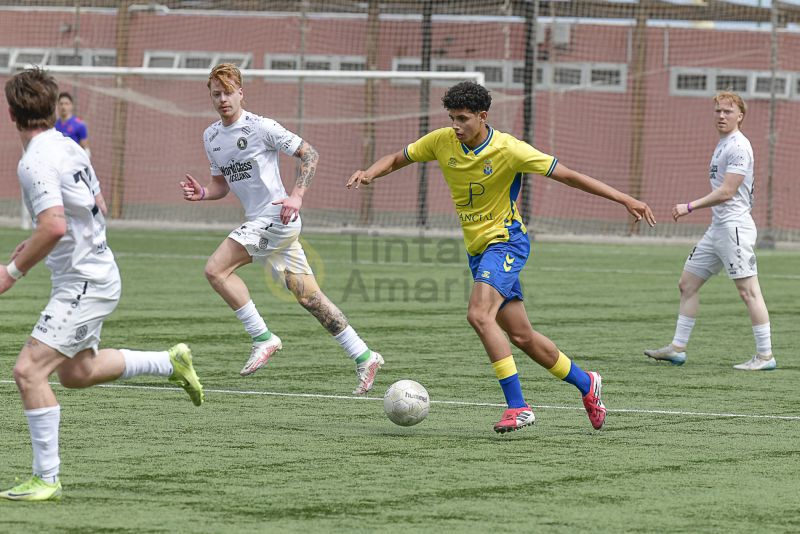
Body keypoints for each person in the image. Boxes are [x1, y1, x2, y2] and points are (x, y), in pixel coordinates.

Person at [347, 81, 656, 433]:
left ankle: (518, 407)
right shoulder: (442, 141)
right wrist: (370, 172)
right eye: (452, 118)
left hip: (506, 244)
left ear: (483, 116)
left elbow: (569, 176)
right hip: (479, 252)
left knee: (479, 315)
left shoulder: (510, 149)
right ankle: (587, 384)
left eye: (463, 119)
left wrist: (624, 199)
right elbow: (399, 158)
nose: (456, 126)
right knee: (522, 336)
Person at [0, 68, 203, 502]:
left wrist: (10, 271)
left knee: (28, 371)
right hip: (95, 272)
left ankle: (46, 479)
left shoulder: (34, 159)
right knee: (77, 372)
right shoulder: (69, 145)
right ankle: (170, 363)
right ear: (54, 109)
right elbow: (97, 205)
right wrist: (50, 239)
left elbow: (54, 226)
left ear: (12, 112)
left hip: (84, 281)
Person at [180, 63, 383, 394]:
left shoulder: (262, 127)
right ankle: (365, 355)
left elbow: (310, 154)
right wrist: (203, 193)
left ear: (241, 92)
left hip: (276, 217)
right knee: (310, 298)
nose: (222, 100)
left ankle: (263, 337)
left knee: (216, 270)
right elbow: (222, 185)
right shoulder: (212, 136)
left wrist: (297, 195)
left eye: (228, 92)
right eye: (216, 94)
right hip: (261, 223)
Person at [644, 91, 775, 371]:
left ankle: (765, 356)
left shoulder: (739, 146)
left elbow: (727, 192)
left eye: (728, 111)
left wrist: (689, 206)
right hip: (718, 229)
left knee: (749, 292)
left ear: (740, 116)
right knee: (687, 284)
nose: (721, 116)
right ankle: (677, 348)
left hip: (734, 228)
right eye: (717, 111)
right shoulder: (723, 143)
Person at [54, 91, 90, 158]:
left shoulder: (79, 125)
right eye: (61, 104)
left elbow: (86, 149)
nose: (63, 106)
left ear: (71, 106)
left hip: (72, 162)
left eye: (66, 104)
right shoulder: (54, 126)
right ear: (57, 106)